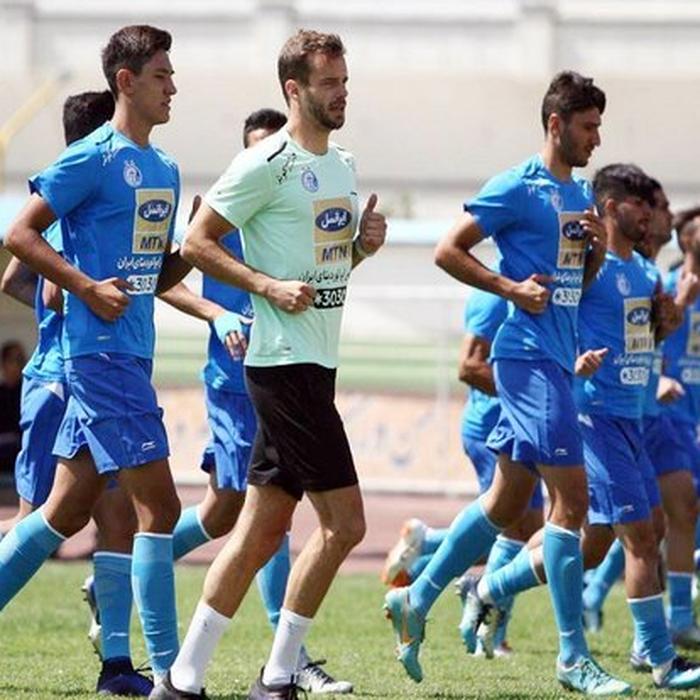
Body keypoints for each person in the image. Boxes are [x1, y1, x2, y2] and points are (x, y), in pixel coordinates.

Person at [151, 29, 386, 700]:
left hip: (315, 363)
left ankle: (182, 679)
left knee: (258, 531)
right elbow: (197, 244)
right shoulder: (264, 163)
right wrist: (265, 287)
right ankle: (279, 675)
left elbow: (329, 269)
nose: (342, 93)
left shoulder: (343, 165)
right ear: (294, 89)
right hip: (282, 366)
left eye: (345, 81)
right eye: (329, 83)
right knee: (346, 524)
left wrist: (362, 247)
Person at [385, 70, 628, 694]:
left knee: (505, 500)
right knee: (573, 503)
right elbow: (448, 249)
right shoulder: (517, 186)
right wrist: (509, 288)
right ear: (556, 124)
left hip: (556, 361)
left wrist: (597, 253)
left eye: (599, 126)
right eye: (588, 126)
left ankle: (416, 598)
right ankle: (572, 658)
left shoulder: (579, 196)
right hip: (525, 358)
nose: (596, 138)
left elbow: (575, 286)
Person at [3, 24, 191, 686]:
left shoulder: (166, 169)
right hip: (97, 358)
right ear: (126, 82)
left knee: (64, 511)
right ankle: (172, 677)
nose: (174, 87)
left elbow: (152, 276)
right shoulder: (92, 157)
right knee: (159, 509)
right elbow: (19, 235)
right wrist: (83, 286)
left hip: (133, 353)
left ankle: (119, 667)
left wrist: (197, 248)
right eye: (163, 75)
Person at [0, 341, 26, 475]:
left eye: (20, 361)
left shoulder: (27, 394)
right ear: (3, 364)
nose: (17, 366)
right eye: (12, 360)